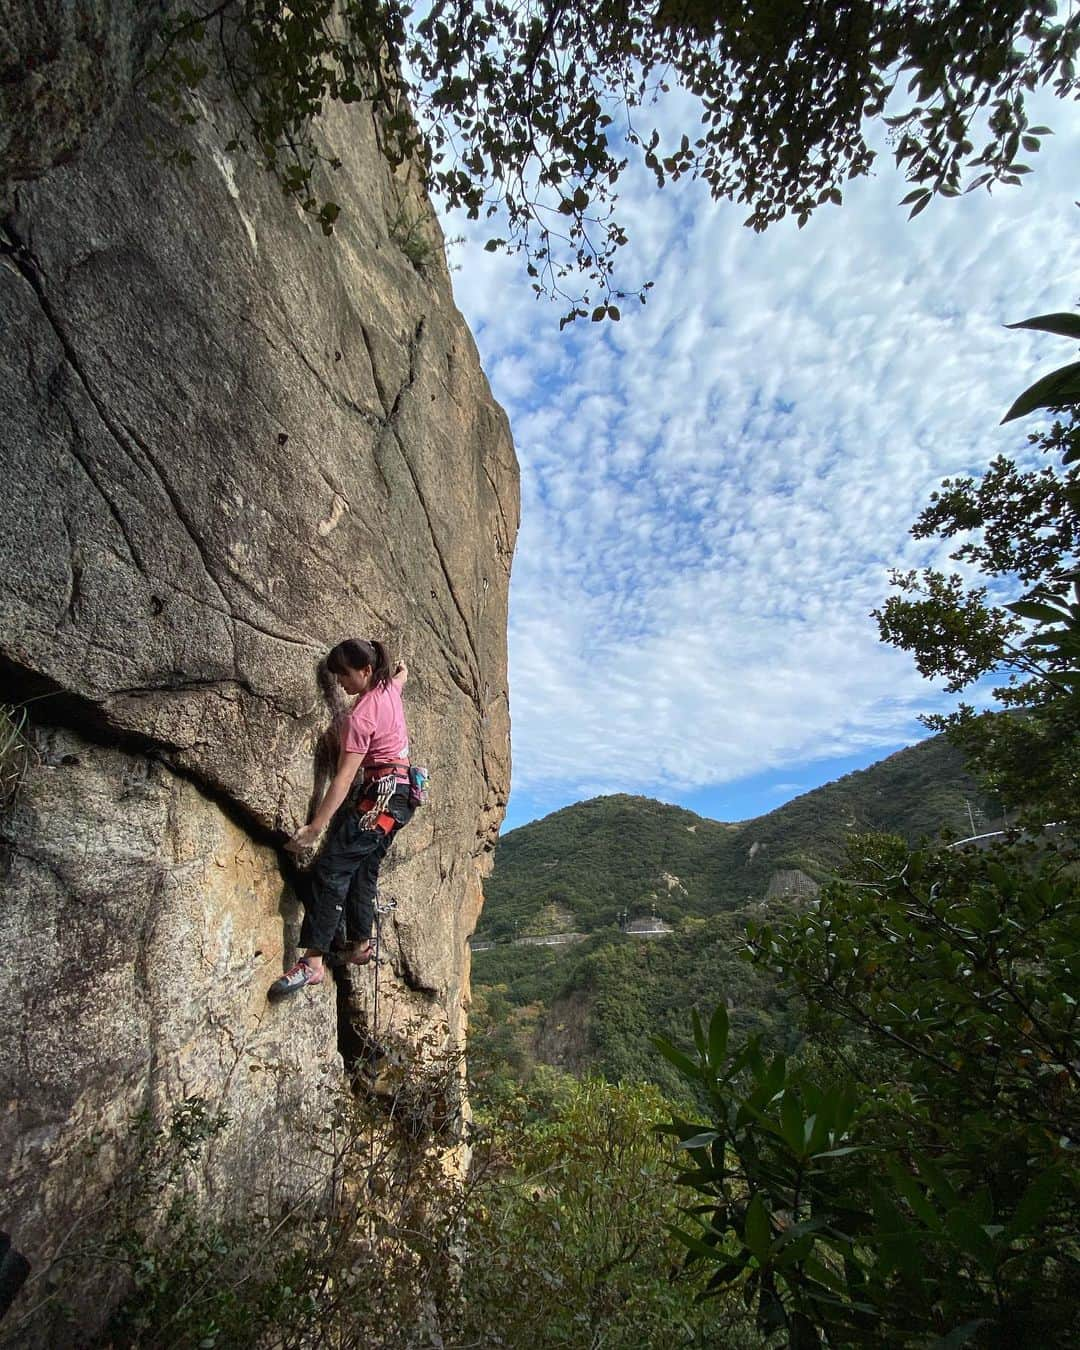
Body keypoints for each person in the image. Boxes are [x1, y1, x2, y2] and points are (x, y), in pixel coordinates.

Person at [270, 638, 414, 999]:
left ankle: (313, 963)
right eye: (335, 677)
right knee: (363, 868)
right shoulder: (387, 688)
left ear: (366, 670)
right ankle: (361, 943)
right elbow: (399, 678)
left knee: (332, 869)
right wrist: (401, 672)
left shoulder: (362, 713)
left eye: (345, 675)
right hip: (403, 797)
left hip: (380, 798)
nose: (341, 684)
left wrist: (316, 826)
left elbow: (344, 777)